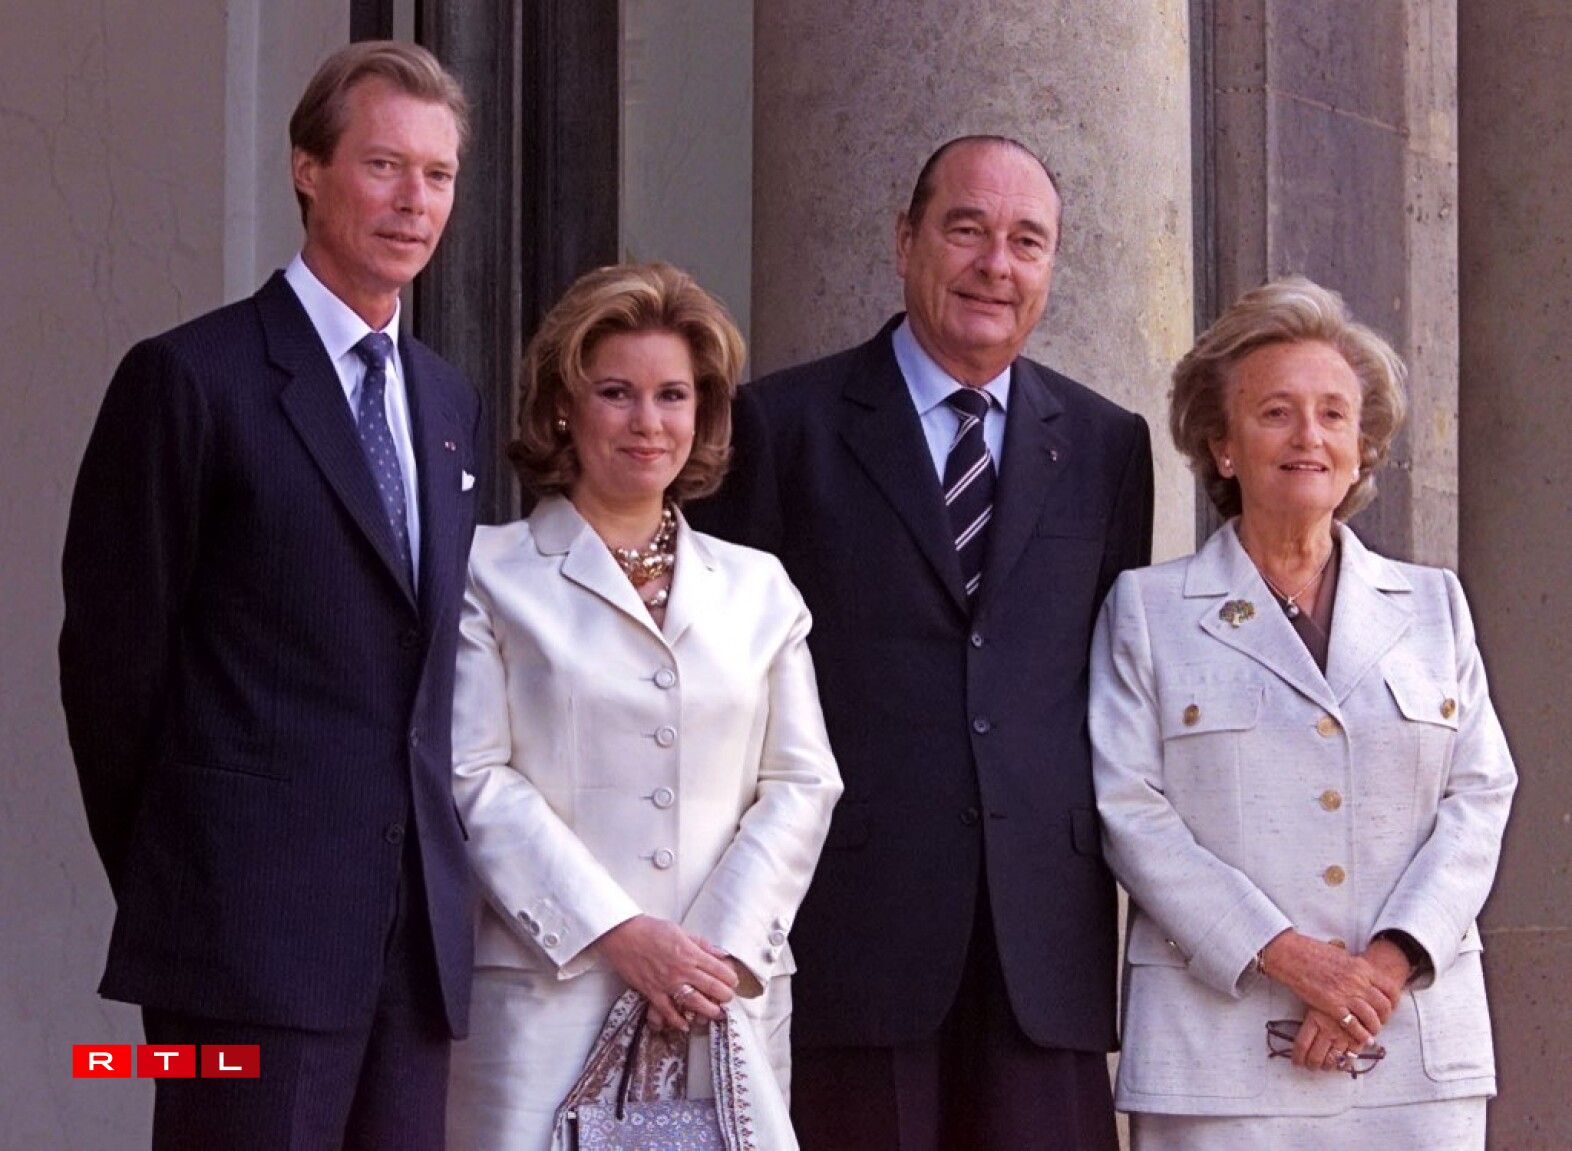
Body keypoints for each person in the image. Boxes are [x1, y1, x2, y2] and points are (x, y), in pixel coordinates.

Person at [687, 135, 1154, 1151]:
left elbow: (1116, 678)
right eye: (967, 230)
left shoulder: (1109, 444)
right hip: (855, 925)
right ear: (906, 240)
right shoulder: (781, 425)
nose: (997, 264)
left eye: (1028, 241)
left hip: (1043, 940)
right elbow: (728, 688)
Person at [59, 41, 481, 1149]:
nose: (414, 201)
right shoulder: (192, 380)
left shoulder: (446, 400)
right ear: (307, 168)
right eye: (384, 165)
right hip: (245, 941)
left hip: (411, 949)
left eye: (437, 175)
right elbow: (112, 672)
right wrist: (202, 869)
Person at [1090, 276, 1517, 1150]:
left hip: (1412, 1050)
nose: (1309, 435)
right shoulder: (1148, 610)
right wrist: (1294, 958)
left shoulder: (1435, 606)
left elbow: (1480, 800)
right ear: (1222, 446)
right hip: (1219, 1058)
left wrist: (1380, 971)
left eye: (1332, 413)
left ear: (1363, 448)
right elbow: (1130, 812)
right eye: (1276, 411)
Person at [444, 262, 842, 1150]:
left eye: (673, 395)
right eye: (616, 393)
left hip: (722, 994)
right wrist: (622, 933)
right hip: (550, 989)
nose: (647, 422)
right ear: (562, 409)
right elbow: (473, 776)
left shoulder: (759, 587)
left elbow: (803, 782)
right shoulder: (488, 571)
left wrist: (706, 953)